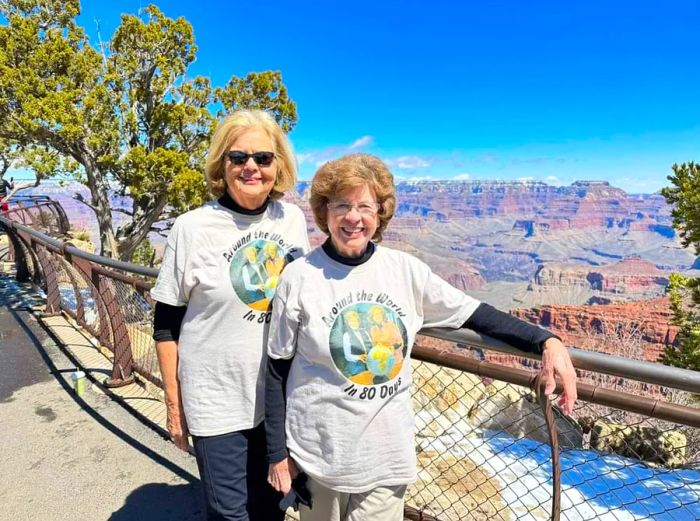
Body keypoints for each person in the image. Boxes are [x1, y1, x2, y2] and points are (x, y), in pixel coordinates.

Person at [265, 153, 577, 521]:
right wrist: (278, 455)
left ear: (380, 212)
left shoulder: (405, 271)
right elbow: (276, 370)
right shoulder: (300, 277)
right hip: (319, 460)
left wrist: (548, 341)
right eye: (342, 205)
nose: (353, 217)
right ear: (324, 211)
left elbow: (477, 314)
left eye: (365, 206)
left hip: (385, 462)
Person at [151, 109, 310, 521]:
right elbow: (166, 324)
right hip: (215, 396)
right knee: (230, 514)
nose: (251, 167)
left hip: (277, 399)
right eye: (238, 157)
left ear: (280, 164)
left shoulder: (291, 219)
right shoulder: (192, 228)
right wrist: (174, 404)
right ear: (222, 164)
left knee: (273, 507)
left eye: (263, 157)